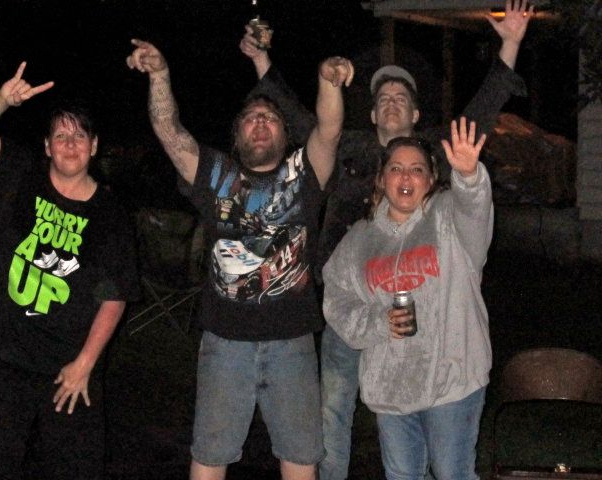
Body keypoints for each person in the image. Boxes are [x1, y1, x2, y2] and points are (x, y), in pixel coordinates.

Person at [240, 1, 532, 477]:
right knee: (334, 406)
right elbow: (298, 119)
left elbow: (477, 120)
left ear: (416, 113)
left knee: (421, 415)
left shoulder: (432, 158)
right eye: (383, 97)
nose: (392, 101)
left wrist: (512, 44)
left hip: (420, 313)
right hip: (352, 301)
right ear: (373, 113)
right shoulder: (347, 148)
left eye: (402, 96)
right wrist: (260, 60)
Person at [126, 40, 353, 480]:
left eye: (270, 117)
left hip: (293, 343)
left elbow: (329, 129)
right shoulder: (215, 174)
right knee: (210, 455)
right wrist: (160, 75)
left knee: (301, 456)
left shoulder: (305, 174)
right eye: (251, 118)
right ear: (237, 136)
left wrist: (328, 80)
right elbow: (169, 131)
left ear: (286, 135)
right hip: (224, 343)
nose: (260, 123)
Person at [0, 62, 139, 479]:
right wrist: (1, 100)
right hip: (4, 356)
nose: (70, 144)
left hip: (68, 368)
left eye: (79, 136)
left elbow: (115, 296)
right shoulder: (22, 175)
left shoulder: (110, 214)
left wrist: (85, 364)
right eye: (61, 135)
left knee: (77, 468)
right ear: (47, 146)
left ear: (94, 146)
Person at [322, 117, 491, 479]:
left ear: (430, 180)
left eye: (417, 169)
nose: (405, 176)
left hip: (452, 379)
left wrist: (469, 177)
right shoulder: (360, 239)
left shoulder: (448, 218)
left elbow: (474, 209)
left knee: (451, 473)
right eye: (396, 168)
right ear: (381, 180)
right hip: (392, 386)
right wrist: (376, 323)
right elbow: (336, 297)